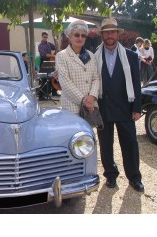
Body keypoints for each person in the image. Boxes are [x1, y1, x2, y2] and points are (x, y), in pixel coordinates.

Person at [95, 18, 144, 192]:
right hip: (103, 108)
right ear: (102, 35)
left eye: (112, 32)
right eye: (106, 32)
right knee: (106, 145)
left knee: (130, 143)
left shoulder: (131, 56)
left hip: (125, 107)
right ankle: (110, 175)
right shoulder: (95, 56)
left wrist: (137, 108)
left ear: (118, 34)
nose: (110, 35)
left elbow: (137, 84)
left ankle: (134, 177)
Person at [55, 20, 99, 115]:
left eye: (83, 35)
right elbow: (65, 82)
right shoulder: (62, 56)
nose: (80, 38)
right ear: (69, 36)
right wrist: (84, 101)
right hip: (72, 107)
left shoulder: (91, 55)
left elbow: (96, 78)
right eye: (76, 35)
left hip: (90, 107)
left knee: (88, 130)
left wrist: (92, 96)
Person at [38, 31, 57, 100]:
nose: (45, 38)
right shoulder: (40, 45)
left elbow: (55, 47)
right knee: (44, 79)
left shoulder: (48, 44)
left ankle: (52, 92)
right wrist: (53, 55)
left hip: (49, 61)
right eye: (44, 37)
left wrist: (56, 40)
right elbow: (44, 55)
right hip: (43, 62)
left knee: (52, 77)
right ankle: (41, 96)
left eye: (46, 37)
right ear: (42, 37)